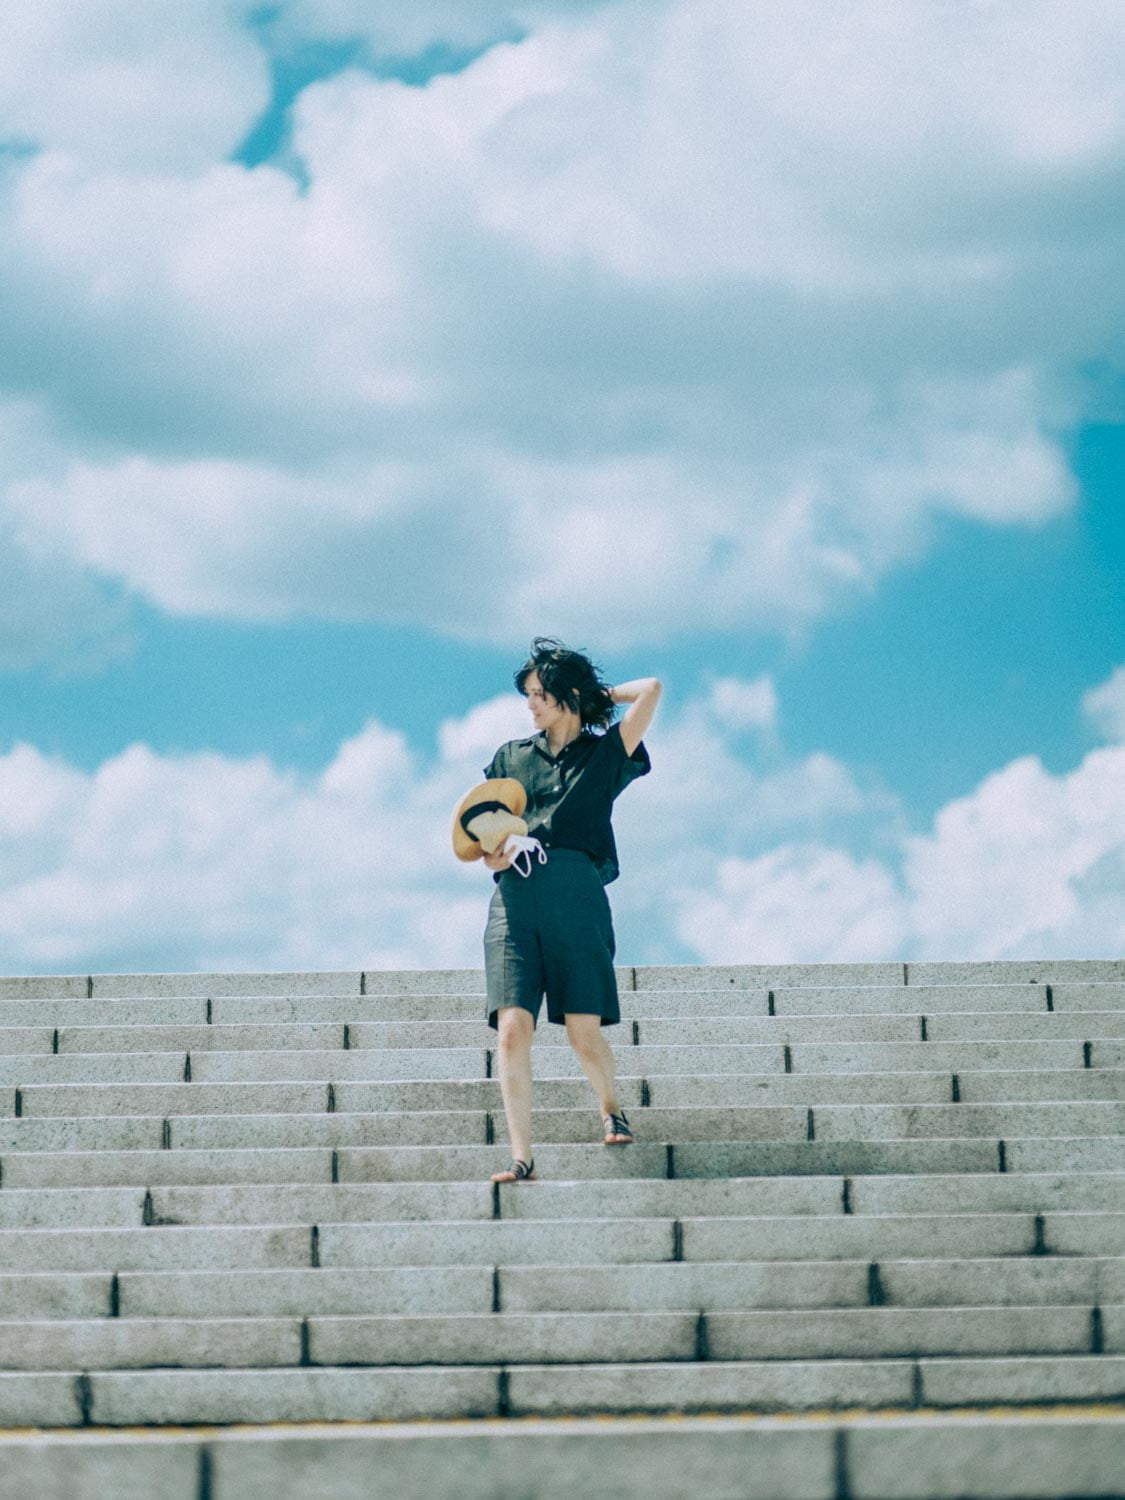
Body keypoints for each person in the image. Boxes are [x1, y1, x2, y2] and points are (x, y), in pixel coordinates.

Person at [480, 637, 661, 1183]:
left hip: (578, 897)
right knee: (512, 1028)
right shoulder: (510, 757)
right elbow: (480, 845)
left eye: (540, 695)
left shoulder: (605, 753)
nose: (530, 705)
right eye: (529, 695)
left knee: (583, 1030)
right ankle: (521, 1155)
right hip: (514, 898)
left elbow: (651, 690)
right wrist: (505, 847)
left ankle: (611, 1107)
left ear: (566, 695)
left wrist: (592, 697)